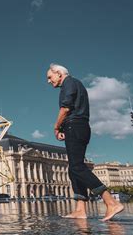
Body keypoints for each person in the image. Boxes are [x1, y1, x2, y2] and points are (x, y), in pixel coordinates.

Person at [47, 63, 124, 221]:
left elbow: (66, 108)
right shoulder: (75, 84)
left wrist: (56, 127)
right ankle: (80, 209)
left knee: (77, 166)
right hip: (77, 126)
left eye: (50, 77)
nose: (49, 81)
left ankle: (111, 201)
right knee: (73, 168)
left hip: (75, 126)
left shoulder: (69, 83)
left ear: (59, 73)